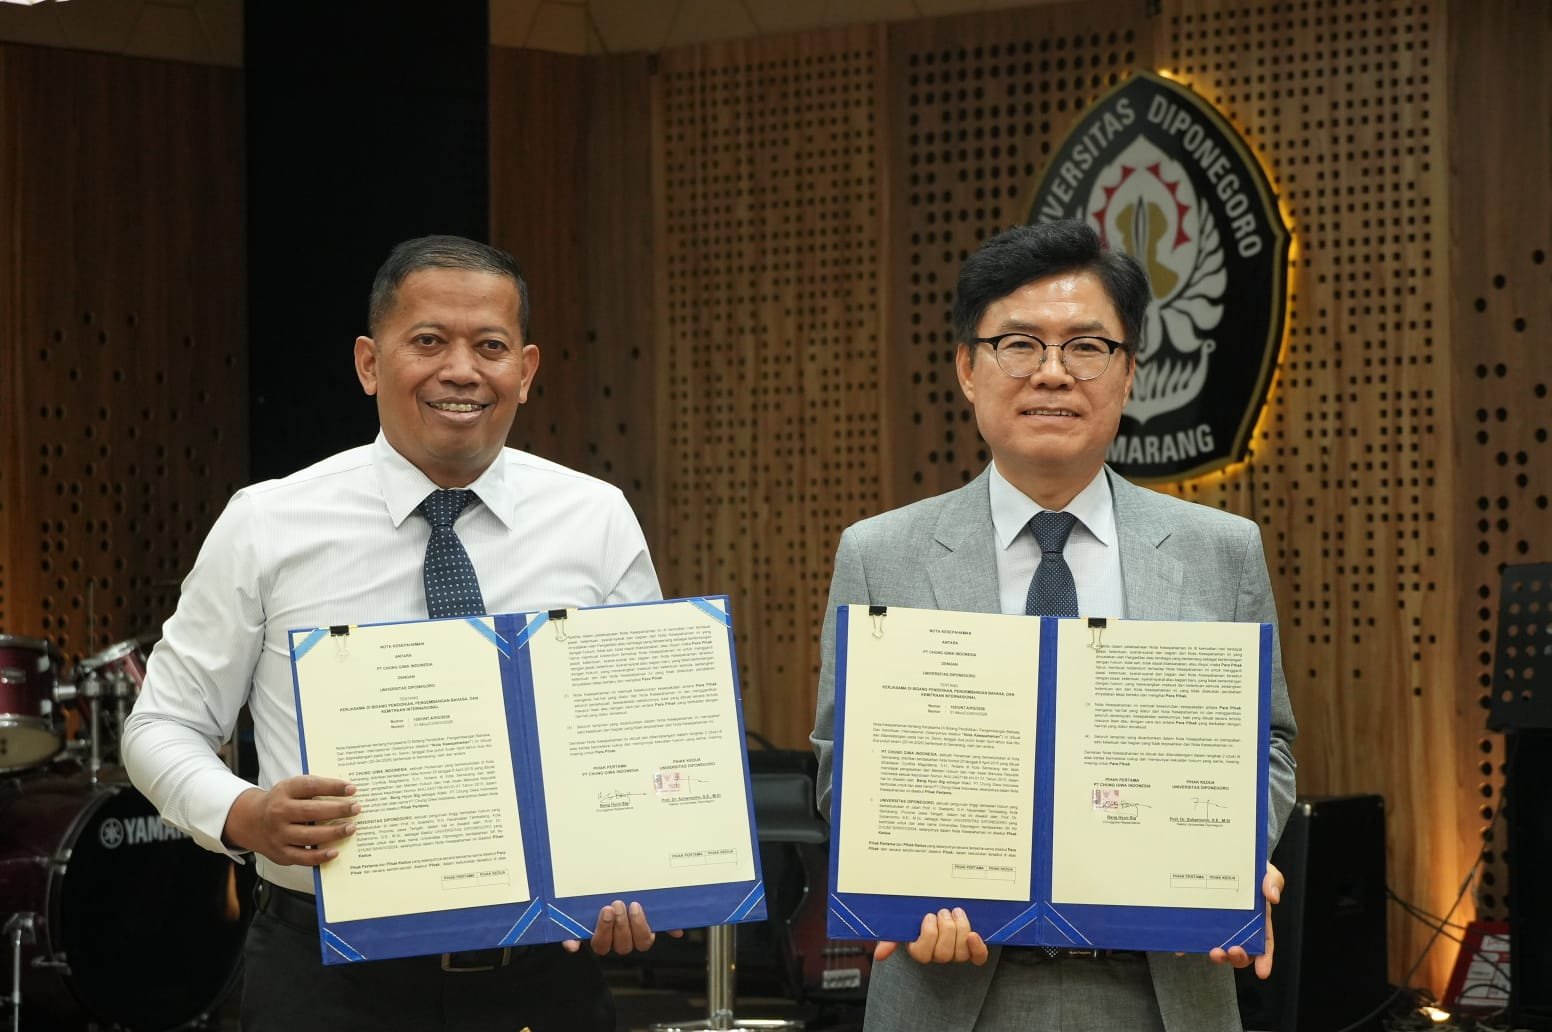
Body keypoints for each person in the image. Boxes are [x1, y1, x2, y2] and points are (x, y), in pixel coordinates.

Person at [123, 235, 670, 1032]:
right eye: (427, 341)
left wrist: (643, 871)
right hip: (326, 974)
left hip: (546, 977)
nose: (461, 370)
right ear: (369, 363)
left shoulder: (596, 518)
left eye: (489, 346)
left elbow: (639, 732)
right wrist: (245, 815)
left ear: (526, 370)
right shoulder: (267, 522)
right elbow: (162, 725)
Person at [809, 220, 1297, 1032]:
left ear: (1130, 372)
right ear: (968, 367)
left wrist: (1235, 851)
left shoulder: (1222, 551)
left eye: (1087, 347)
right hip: (950, 991)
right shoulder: (880, 552)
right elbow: (843, 763)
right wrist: (904, 872)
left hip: (1165, 988)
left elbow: (1269, 744)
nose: (1052, 373)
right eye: (1019, 344)